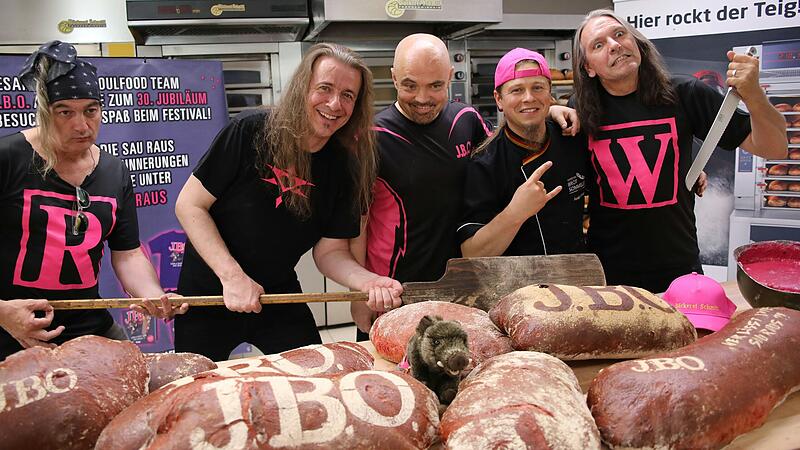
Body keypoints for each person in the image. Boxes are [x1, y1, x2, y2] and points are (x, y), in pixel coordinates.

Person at [174, 43, 402, 362]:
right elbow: (189, 205)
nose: (334, 104)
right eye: (324, 88)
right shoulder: (250, 130)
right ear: (302, 87)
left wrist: (368, 281)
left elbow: (331, 252)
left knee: (316, 370)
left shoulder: (345, 166)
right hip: (209, 292)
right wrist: (232, 276)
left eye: (348, 95)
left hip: (278, 293)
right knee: (195, 383)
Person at [350, 34, 578, 339]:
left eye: (435, 85)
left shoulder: (466, 120)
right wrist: (358, 291)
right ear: (393, 78)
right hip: (395, 291)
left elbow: (506, 139)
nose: (422, 98)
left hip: (462, 289)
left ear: (449, 77)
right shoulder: (371, 137)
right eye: (409, 86)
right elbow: (359, 222)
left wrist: (546, 110)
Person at [572, 10, 787, 292]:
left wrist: (754, 94)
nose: (614, 45)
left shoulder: (686, 93)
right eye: (598, 45)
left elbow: (774, 147)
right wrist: (551, 112)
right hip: (607, 274)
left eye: (620, 34)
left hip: (679, 270)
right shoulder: (579, 110)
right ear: (588, 67)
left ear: (636, 42)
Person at [0, 41, 185, 361]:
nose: (81, 125)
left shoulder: (114, 171)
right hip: (10, 330)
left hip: (88, 326)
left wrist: (153, 295)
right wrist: (3, 313)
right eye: (65, 112)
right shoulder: (8, 159)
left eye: (90, 110)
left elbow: (127, 254)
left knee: (139, 377)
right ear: (44, 113)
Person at [458, 48, 589, 258]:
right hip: (514, 278)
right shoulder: (485, 164)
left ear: (549, 93)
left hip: (575, 273)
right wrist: (515, 213)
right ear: (498, 99)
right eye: (517, 90)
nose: (528, 98)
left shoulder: (572, 139)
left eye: (538, 87)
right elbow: (471, 253)